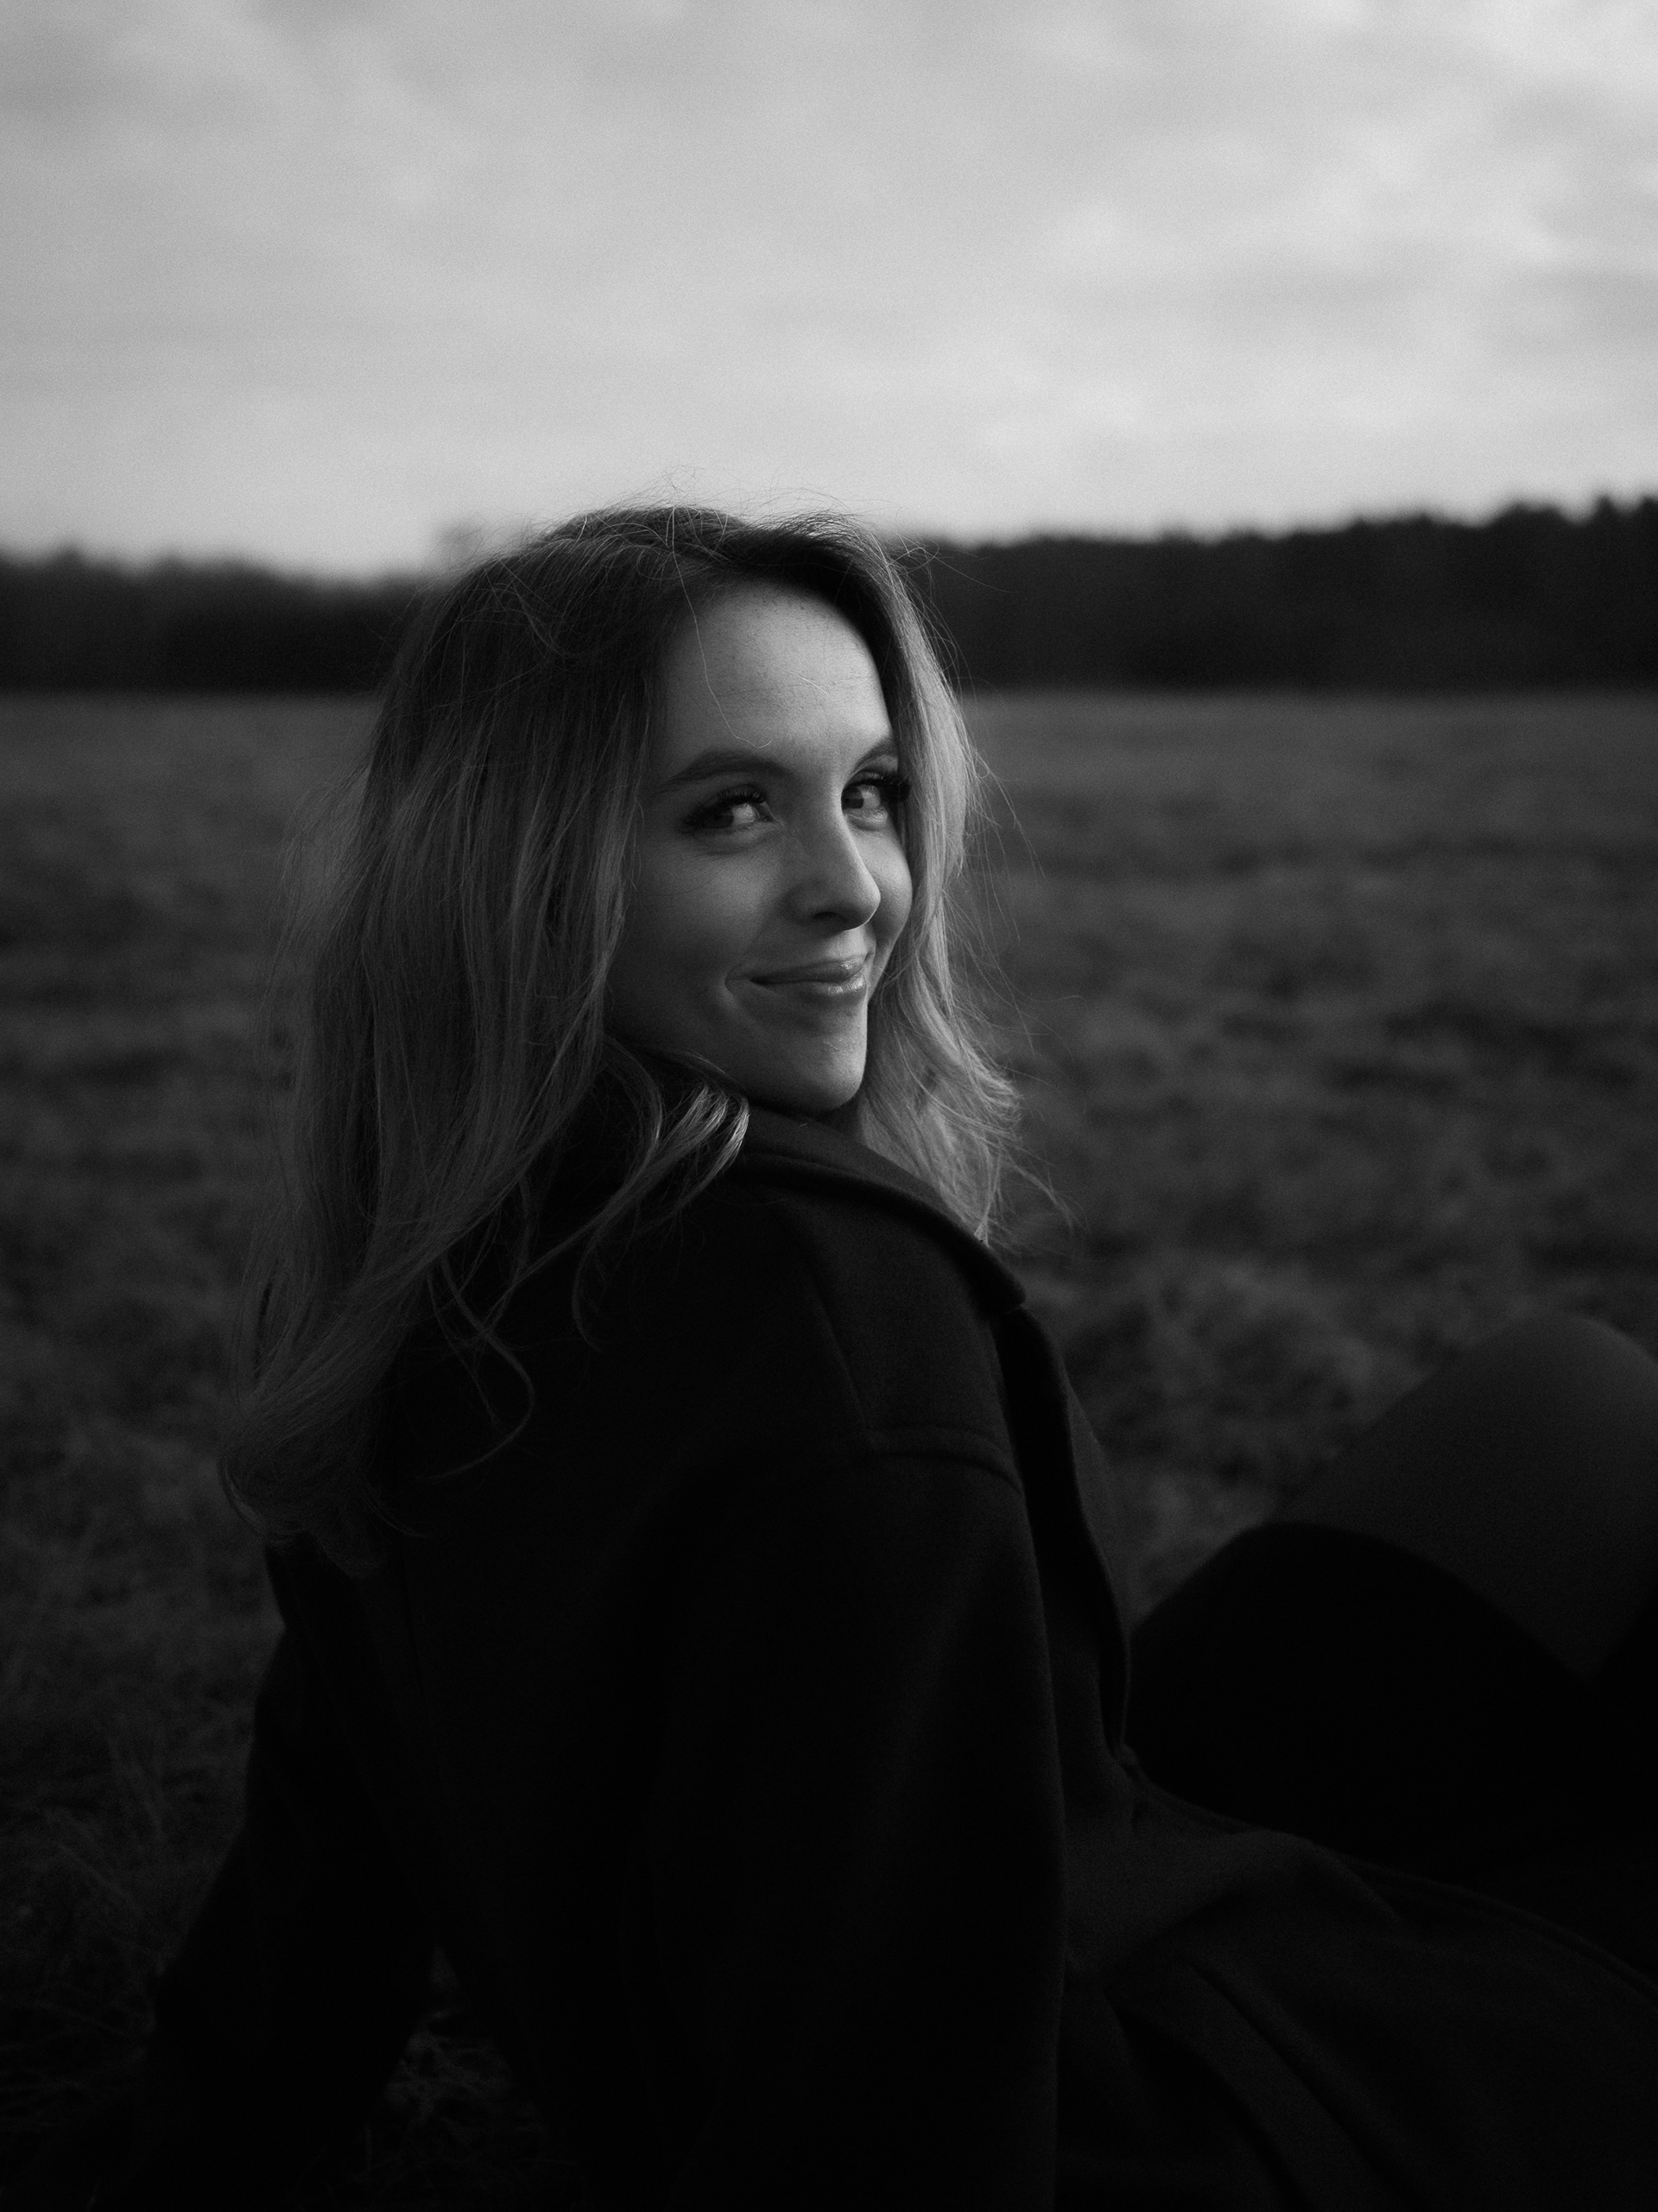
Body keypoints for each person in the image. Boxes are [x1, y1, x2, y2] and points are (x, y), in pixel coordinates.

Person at [14, 504, 1658, 2209]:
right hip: (1132, 2112)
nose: (859, 886)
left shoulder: (407, 1269)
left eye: (870, 792)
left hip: (1020, 1875)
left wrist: (174, 2160)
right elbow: (905, 2122)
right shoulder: (834, 1327)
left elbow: (326, 1874)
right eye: (732, 810)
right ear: (512, 868)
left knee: (1568, 1403)